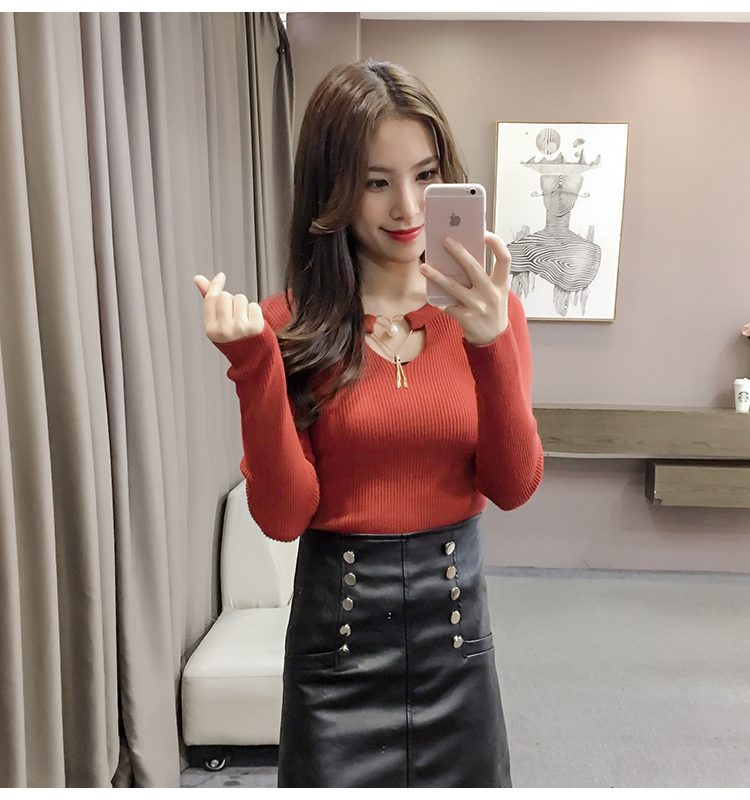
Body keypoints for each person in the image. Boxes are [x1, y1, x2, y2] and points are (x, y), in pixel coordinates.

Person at [194, 59, 544, 789]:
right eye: (376, 181)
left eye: (425, 174)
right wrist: (254, 366)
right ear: (333, 188)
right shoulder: (287, 325)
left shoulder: (491, 311)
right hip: (337, 652)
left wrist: (489, 346)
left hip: (457, 646)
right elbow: (284, 518)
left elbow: (512, 486)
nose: (407, 206)